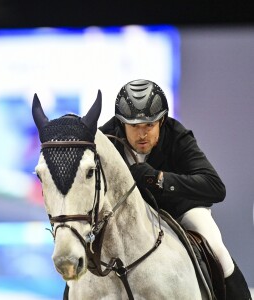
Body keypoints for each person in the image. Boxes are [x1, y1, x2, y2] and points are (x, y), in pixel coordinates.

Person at [99, 79, 252, 300]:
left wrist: (159, 178)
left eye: (149, 125)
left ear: (161, 121)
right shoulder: (105, 139)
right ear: (121, 123)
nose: (142, 134)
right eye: (134, 126)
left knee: (215, 246)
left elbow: (215, 187)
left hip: (178, 210)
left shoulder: (177, 136)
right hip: (123, 216)